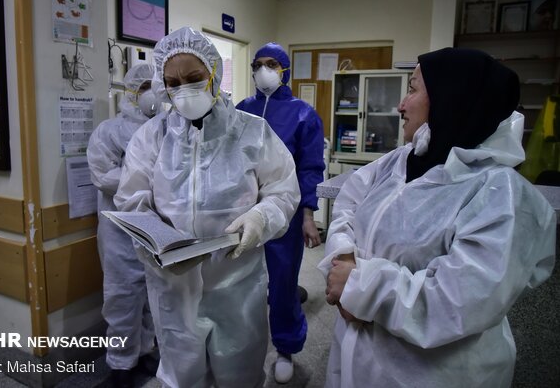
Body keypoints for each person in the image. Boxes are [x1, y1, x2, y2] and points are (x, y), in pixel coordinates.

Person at [319, 47, 556, 388]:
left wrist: (359, 287)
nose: (401, 104)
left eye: (413, 89)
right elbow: (348, 202)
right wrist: (343, 255)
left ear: (450, 99)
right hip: (359, 355)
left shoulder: (502, 196)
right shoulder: (400, 161)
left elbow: (454, 303)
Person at [114, 26, 301, 388]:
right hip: (173, 288)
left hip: (238, 286)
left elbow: (283, 190)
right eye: (173, 81)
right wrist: (159, 246)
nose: (184, 89)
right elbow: (132, 202)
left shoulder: (252, 132)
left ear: (215, 73)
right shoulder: (151, 138)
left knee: (240, 375)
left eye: (194, 78)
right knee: (182, 377)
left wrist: (260, 218)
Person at [237, 42, 325, 383]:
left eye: (271, 63)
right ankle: (244, 346)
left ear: (284, 70)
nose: (263, 70)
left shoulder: (303, 114)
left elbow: (310, 169)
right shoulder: (242, 110)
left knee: (283, 282)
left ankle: (286, 347)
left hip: (284, 216)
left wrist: (307, 216)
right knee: (243, 285)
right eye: (257, 64)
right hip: (243, 213)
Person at [86, 63, 160, 387]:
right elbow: (103, 177)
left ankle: (145, 353)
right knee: (122, 297)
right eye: (144, 86)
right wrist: (147, 179)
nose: (151, 93)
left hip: (154, 228)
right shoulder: (108, 132)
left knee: (153, 294)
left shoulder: (166, 130)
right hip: (119, 230)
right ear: (130, 91)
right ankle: (120, 365)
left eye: (154, 85)